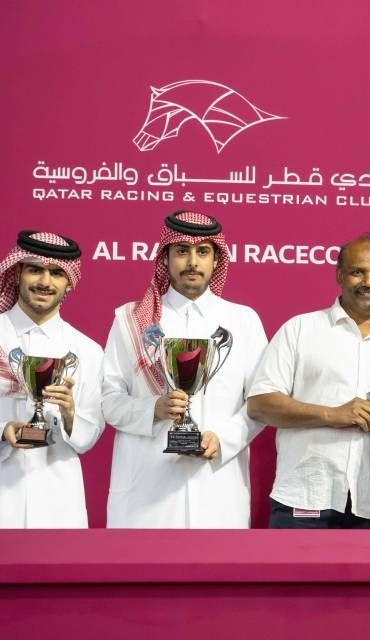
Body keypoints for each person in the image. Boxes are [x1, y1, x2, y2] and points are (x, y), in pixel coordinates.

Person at [102, 210, 267, 528]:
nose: (192, 262)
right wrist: (153, 409)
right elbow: (108, 400)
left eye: (203, 252)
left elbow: (260, 402)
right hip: (145, 495)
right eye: (182, 251)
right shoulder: (131, 320)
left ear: (216, 260)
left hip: (218, 492)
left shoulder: (243, 320)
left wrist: (222, 440)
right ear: (165, 258)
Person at [0, 230, 104, 528]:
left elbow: (88, 437)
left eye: (56, 273)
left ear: (69, 282)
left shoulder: (87, 350)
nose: (45, 282)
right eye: (35, 270)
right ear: (16, 272)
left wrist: (70, 415)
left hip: (59, 510)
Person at [247, 234, 370, 529]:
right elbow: (260, 405)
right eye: (357, 272)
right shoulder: (300, 330)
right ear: (340, 275)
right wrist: (333, 414)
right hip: (304, 500)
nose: (369, 281)